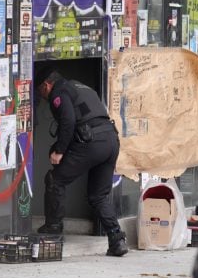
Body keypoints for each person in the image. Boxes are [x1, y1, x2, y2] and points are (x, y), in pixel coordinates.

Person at [35, 67, 128, 257]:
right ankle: (117, 239)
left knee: (55, 180)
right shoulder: (80, 87)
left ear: (46, 85)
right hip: (111, 140)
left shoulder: (58, 92)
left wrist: (59, 151)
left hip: (91, 142)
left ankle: (53, 229)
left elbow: (68, 121)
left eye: (40, 92)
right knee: (98, 196)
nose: (42, 96)